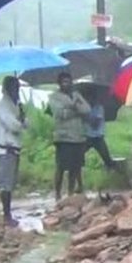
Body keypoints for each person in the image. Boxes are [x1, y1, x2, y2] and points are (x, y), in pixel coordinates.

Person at [48, 72, 91, 201]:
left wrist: (73, 107)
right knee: (61, 167)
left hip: (78, 136)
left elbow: (87, 110)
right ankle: (57, 194)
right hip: (63, 137)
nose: (66, 84)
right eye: (64, 82)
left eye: (68, 81)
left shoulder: (76, 94)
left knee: (75, 167)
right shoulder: (54, 97)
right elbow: (60, 114)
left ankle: (70, 193)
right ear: (59, 83)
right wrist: (75, 107)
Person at [0, 76, 26, 227]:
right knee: (5, 184)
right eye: (14, 88)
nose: (17, 91)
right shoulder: (2, 106)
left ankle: (8, 214)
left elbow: (25, 124)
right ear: (7, 89)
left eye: (18, 88)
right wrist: (20, 121)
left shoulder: (16, 105)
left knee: (10, 183)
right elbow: (13, 125)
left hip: (13, 148)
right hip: (5, 149)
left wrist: (22, 118)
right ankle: (7, 215)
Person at [82, 86, 117, 170]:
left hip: (98, 137)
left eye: (92, 98)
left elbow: (95, 124)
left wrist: (86, 117)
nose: (90, 100)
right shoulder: (83, 108)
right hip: (87, 136)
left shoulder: (99, 107)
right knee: (77, 157)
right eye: (88, 98)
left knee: (107, 158)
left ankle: (113, 170)